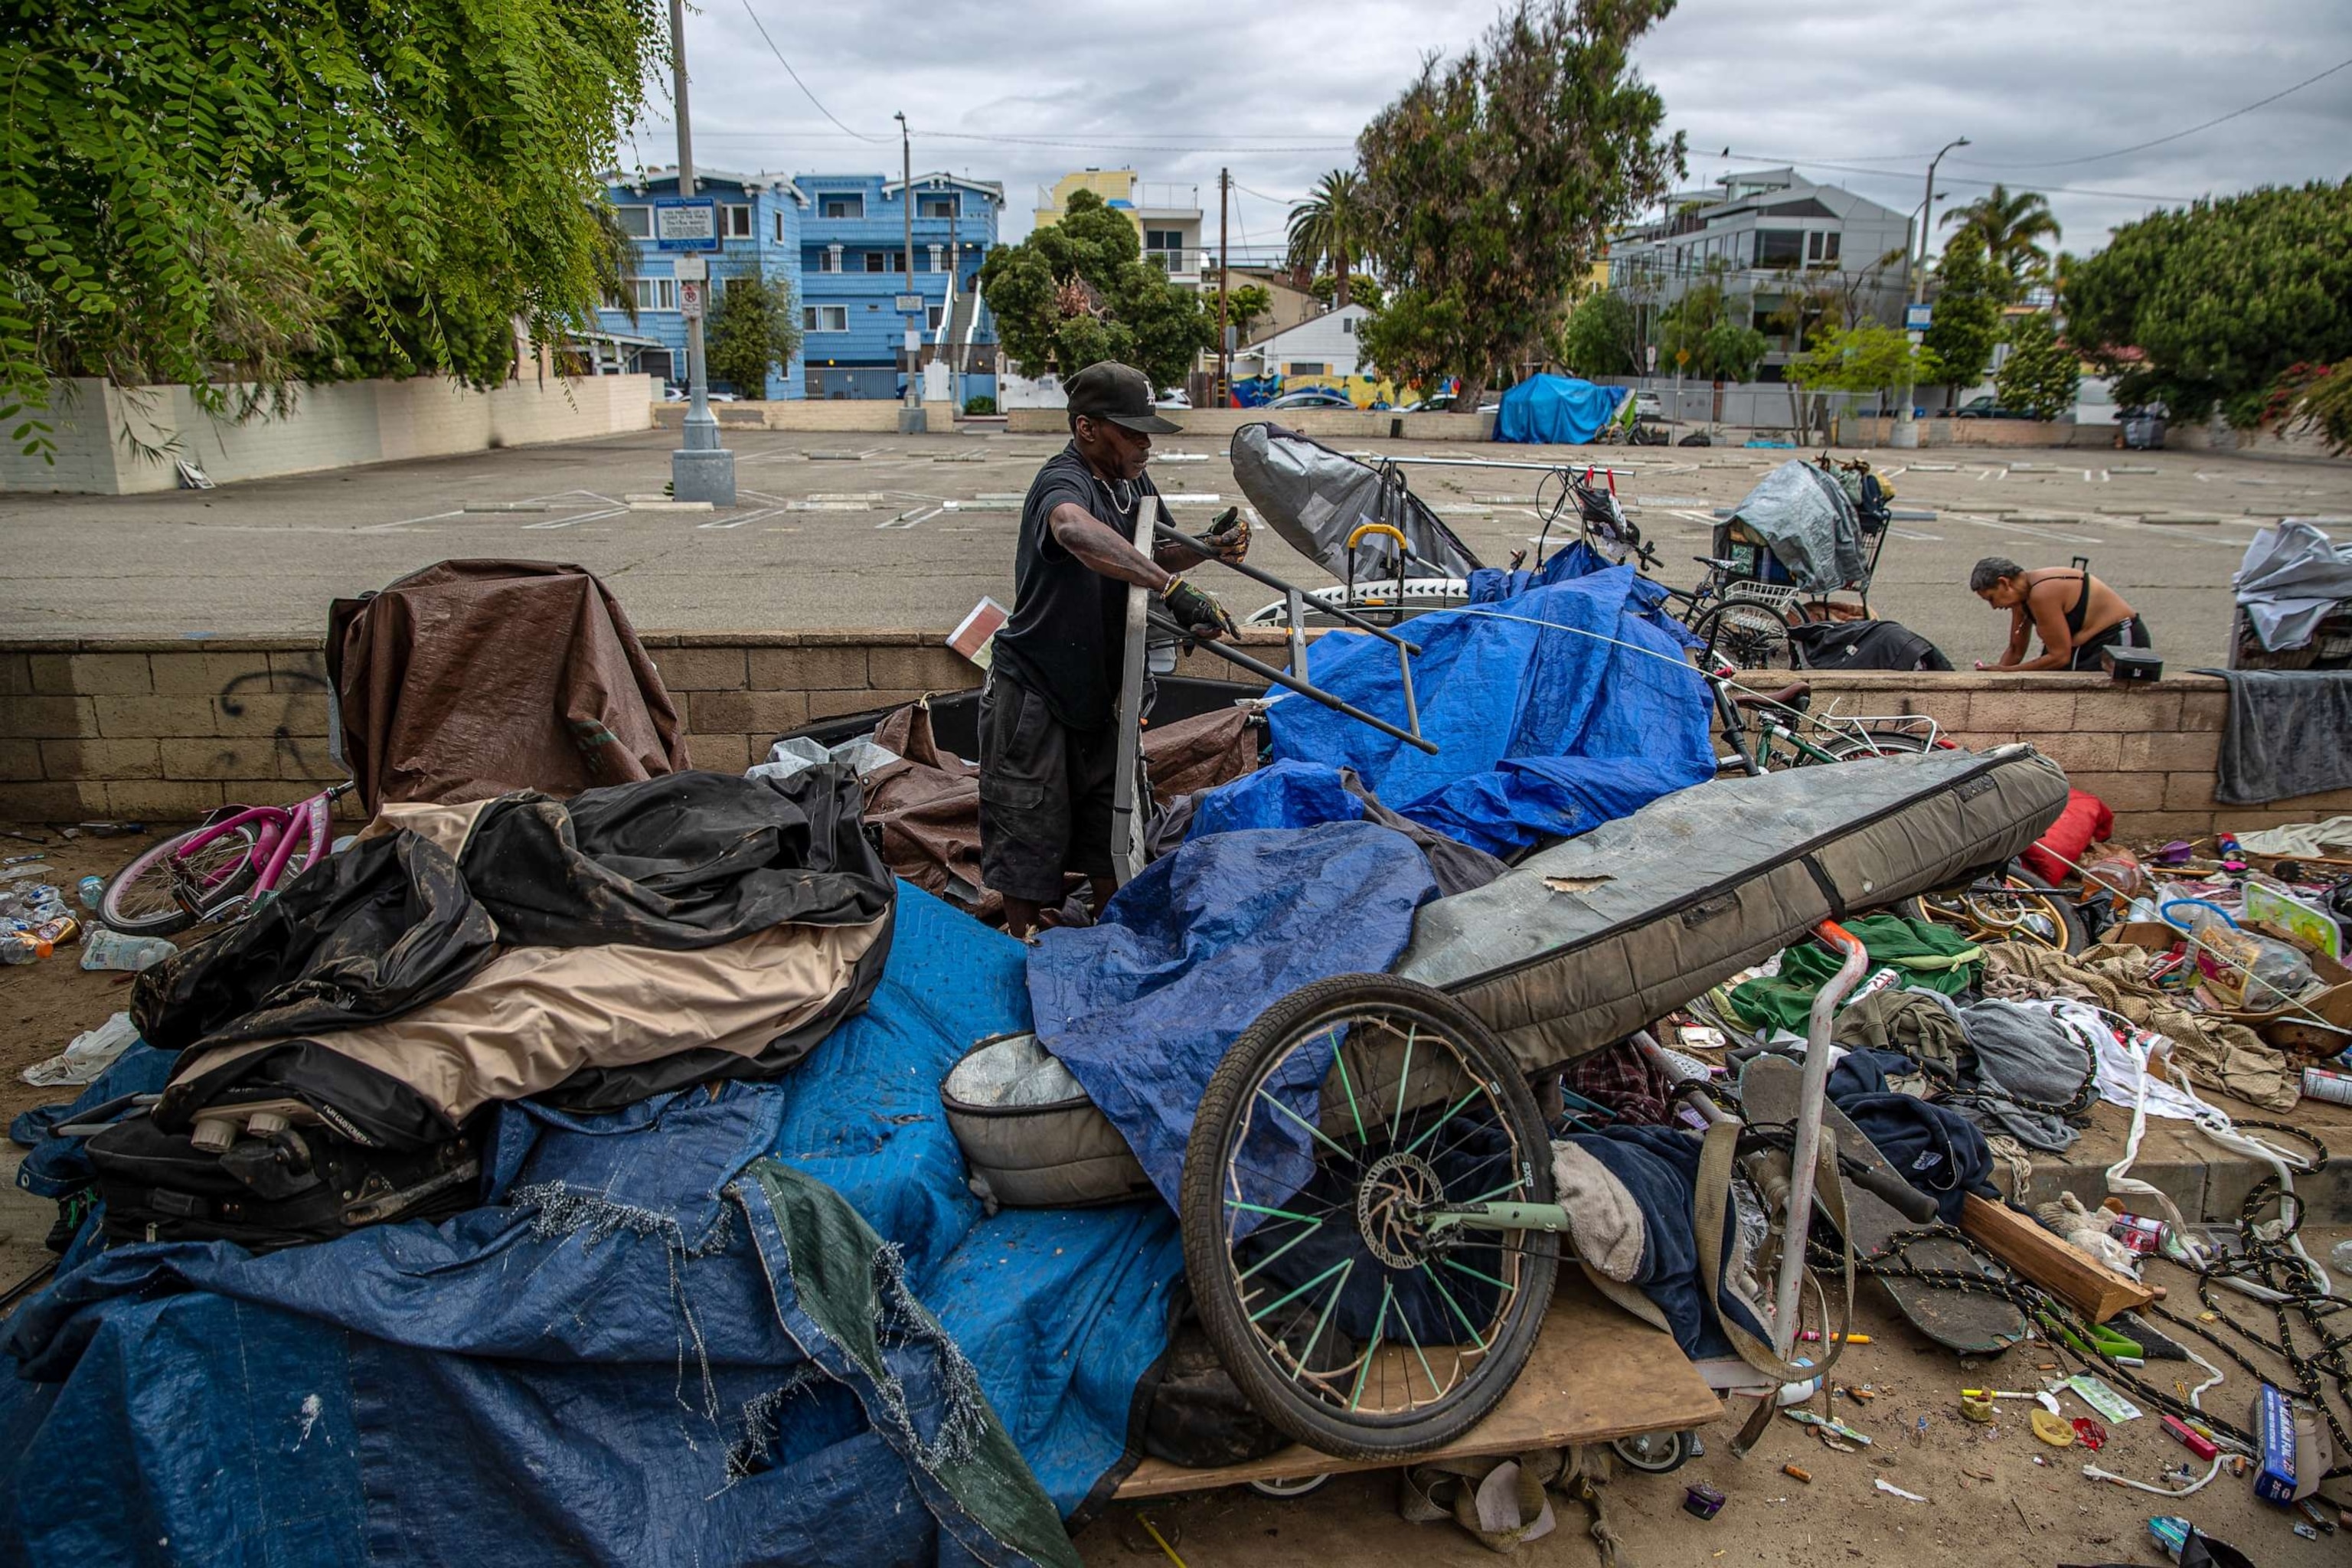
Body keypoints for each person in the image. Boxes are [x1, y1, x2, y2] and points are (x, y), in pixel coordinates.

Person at [981, 361, 1246, 938]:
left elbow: (1155, 556)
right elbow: (1075, 532)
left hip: (1102, 695)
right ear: (1087, 429)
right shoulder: (1064, 480)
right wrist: (1170, 591)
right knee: (1028, 838)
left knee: (1110, 839)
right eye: (1131, 430)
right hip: (1037, 692)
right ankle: (1022, 951)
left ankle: (1115, 947)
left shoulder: (1132, 484)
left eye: (1148, 429)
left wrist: (1204, 548)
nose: (1145, 442)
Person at [1968, 557, 2153, 671]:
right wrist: (1996, 679)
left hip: (2118, 640)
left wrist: (2008, 672)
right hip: (2081, 646)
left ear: (2005, 583)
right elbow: (2016, 650)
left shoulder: (2042, 593)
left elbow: (2059, 657)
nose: (1994, 607)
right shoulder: (2020, 598)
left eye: (1991, 598)